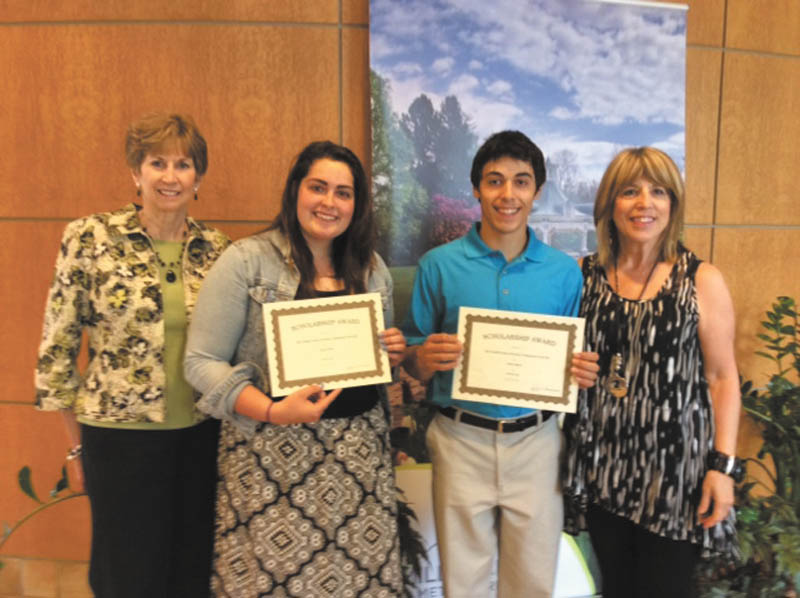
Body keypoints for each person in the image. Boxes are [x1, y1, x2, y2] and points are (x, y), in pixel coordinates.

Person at [184, 141, 405, 597]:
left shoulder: (371, 267)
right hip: (271, 462)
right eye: (318, 187)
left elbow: (377, 366)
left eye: (344, 193)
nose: (329, 203)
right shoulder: (246, 261)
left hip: (361, 461)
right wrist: (270, 410)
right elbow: (200, 362)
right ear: (295, 191)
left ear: (357, 205)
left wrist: (392, 353)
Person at [34, 113, 231, 598]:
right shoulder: (90, 238)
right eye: (156, 162)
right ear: (135, 172)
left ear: (198, 178)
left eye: (183, 165)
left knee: (191, 572)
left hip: (201, 439)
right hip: (118, 441)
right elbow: (57, 351)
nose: (170, 176)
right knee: (127, 575)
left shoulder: (218, 250)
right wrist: (76, 447)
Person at [401, 130, 599, 598]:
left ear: (537, 191)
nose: (507, 195)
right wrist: (422, 358)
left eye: (521, 182)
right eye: (494, 181)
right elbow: (410, 355)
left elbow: (568, 357)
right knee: (462, 581)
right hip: (458, 439)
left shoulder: (564, 272)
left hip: (537, 442)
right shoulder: (438, 265)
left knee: (532, 582)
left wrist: (579, 372)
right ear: (475, 189)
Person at [563, 147, 742, 598]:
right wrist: (568, 369)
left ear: (673, 204)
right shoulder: (581, 277)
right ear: (609, 205)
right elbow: (558, 363)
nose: (645, 203)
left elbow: (723, 379)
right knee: (618, 587)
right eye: (629, 191)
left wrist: (723, 468)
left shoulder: (701, 280)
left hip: (676, 475)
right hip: (604, 469)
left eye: (658, 191)